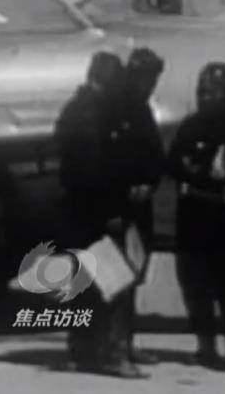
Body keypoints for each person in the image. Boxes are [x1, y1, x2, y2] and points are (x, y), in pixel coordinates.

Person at [54, 51, 148, 379]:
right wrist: (112, 209)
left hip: (78, 213)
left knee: (83, 285)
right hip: (97, 214)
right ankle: (112, 354)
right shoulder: (94, 115)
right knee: (114, 284)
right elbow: (96, 170)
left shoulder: (75, 111)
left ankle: (82, 351)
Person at [167, 62, 225, 372]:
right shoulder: (191, 125)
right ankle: (206, 348)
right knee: (194, 286)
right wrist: (196, 172)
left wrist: (209, 174)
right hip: (192, 218)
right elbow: (173, 163)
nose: (205, 97)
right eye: (202, 91)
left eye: (212, 91)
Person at [117, 48, 167, 366]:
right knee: (115, 279)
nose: (150, 85)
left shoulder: (141, 109)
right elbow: (108, 157)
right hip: (118, 207)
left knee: (132, 277)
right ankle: (112, 347)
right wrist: (127, 186)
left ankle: (124, 342)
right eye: (146, 78)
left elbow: (155, 155)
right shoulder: (115, 110)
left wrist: (149, 182)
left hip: (139, 207)